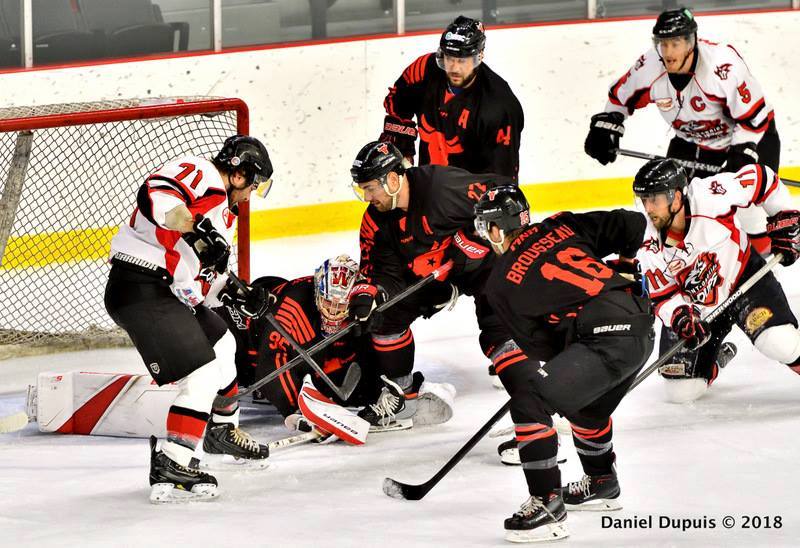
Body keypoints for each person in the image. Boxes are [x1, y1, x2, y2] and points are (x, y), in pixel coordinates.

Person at [474, 185, 654, 542]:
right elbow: (633, 223)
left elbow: (539, 344)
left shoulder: (499, 283)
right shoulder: (561, 225)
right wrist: (626, 264)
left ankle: (546, 505)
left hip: (604, 337)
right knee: (585, 406)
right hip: (641, 325)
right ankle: (602, 482)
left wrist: (565, 358)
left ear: (495, 230)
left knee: (531, 400)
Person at [104, 134, 275, 503]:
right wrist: (196, 232)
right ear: (241, 174)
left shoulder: (220, 214)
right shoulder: (204, 173)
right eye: (253, 186)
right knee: (203, 373)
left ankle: (221, 430)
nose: (249, 198)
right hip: (142, 285)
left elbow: (197, 280)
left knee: (225, 344)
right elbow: (156, 194)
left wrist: (233, 291)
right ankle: (174, 460)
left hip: (168, 290)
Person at [584, 7, 779, 255]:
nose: (668, 52)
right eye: (662, 44)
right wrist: (606, 128)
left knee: (749, 205)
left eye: (675, 43)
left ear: (691, 42)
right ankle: (677, 263)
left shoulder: (722, 66)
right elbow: (619, 98)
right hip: (690, 141)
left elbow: (754, 119)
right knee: (670, 201)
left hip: (751, 136)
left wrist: (740, 155)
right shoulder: (649, 67)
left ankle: (762, 262)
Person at [348, 140, 512, 429]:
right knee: (384, 313)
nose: (366, 196)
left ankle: (532, 404)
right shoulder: (375, 220)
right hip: (430, 278)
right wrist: (373, 293)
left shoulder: (442, 187)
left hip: (479, 268)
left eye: (370, 188)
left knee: (498, 325)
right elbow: (380, 272)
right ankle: (402, 396)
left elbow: (506, 196)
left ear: (393, 179)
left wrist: (473, 240)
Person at [214, 254, 456, 435]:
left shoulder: (359, 305)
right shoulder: (293, 308)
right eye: (328, 304)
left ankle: (398, 391)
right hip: (245, 353)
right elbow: (271, 366)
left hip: (301, 354)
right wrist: (294, 412)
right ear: (318, 292)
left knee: (369, 339)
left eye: (340, 307)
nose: (332, 313)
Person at [633, 159, 800, 402]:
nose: (648, 208)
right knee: (680, 392)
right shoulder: (645, 241)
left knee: (779, 343)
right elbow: (662, 295)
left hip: (745, 282)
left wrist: (786, 215)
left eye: (654, 199)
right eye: (644, 199)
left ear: (677, 196)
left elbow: (762, 178)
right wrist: (680, 316)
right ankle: (716, 358)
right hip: (698, 310)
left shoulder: (711, 195)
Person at [379, 15, 524, 179]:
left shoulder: (499, 106)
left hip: (468, 194)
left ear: (479, 56)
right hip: (427, 183)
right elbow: (397, 102)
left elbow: (502, 174)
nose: (454, 68)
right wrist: (402, 144)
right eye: (449, 59)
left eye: (462, 61)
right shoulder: (424, 70)